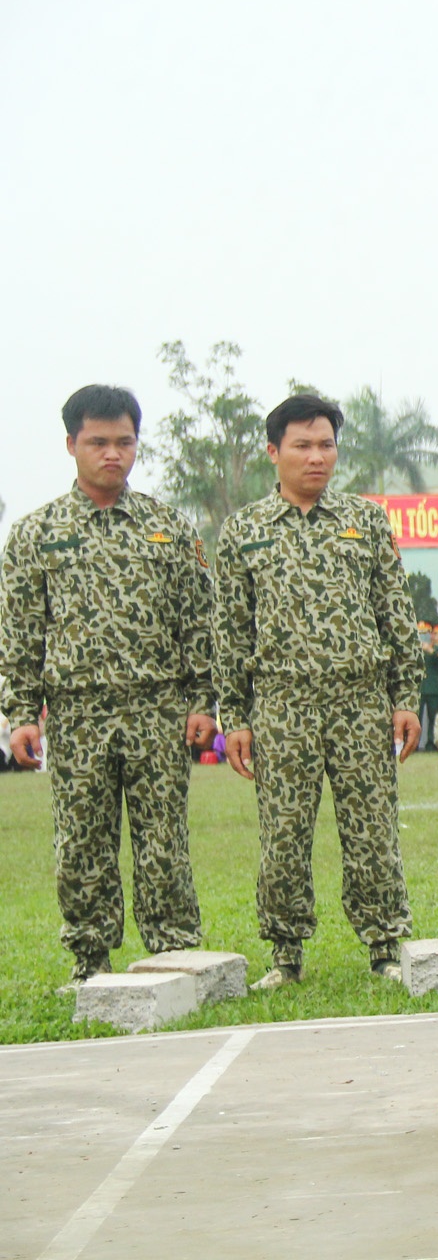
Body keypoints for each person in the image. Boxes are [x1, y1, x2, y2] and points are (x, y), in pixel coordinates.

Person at [1, 385, 212, 988]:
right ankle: (90, 960)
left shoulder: (167, 527)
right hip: (77, 713)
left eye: (124, 441)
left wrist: (203, 701)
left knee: (163, 842)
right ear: (71, 444)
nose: (112, 454)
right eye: (98, 442)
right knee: (82, 845)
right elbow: (20, 631)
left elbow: (197, 620)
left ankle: (174, 953)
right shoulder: (37, 533)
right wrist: (20, 713)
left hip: (158, 710)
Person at [213, 394, 421, 990]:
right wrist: (237, 717)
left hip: (360, 700)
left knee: (372, 829)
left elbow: (395, 616)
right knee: (283, 833)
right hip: (282, 704)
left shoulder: (366, 521)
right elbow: (230, 632)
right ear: (274, 452)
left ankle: (384, 944)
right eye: (302, 445)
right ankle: (285, 953)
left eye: (326, 444)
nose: (316, 457)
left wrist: (404, 698)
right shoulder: (244, 533)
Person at [418, 622, 438, 744]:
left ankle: (432, 743)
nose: (423, 636)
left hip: (434, 688)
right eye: (421, 633)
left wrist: (431, 651)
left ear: (431, 635)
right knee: (416, 718)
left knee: (434, 718)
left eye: (426, 633)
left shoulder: (437, 649)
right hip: (418, 688)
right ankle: (413, 744)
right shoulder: (412, 649)